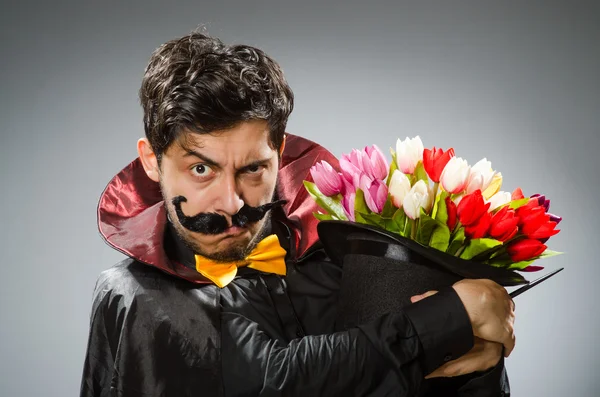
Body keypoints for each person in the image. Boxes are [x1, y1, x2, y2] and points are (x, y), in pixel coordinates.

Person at [80, 31, 515, 396]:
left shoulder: (342, 262)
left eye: (253, 169)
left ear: (280, 153)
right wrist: (448, 317)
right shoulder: (133, 297)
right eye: (201, 169)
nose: (231, 203)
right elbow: (270, 382)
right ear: (153, 161)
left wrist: (478, 359)